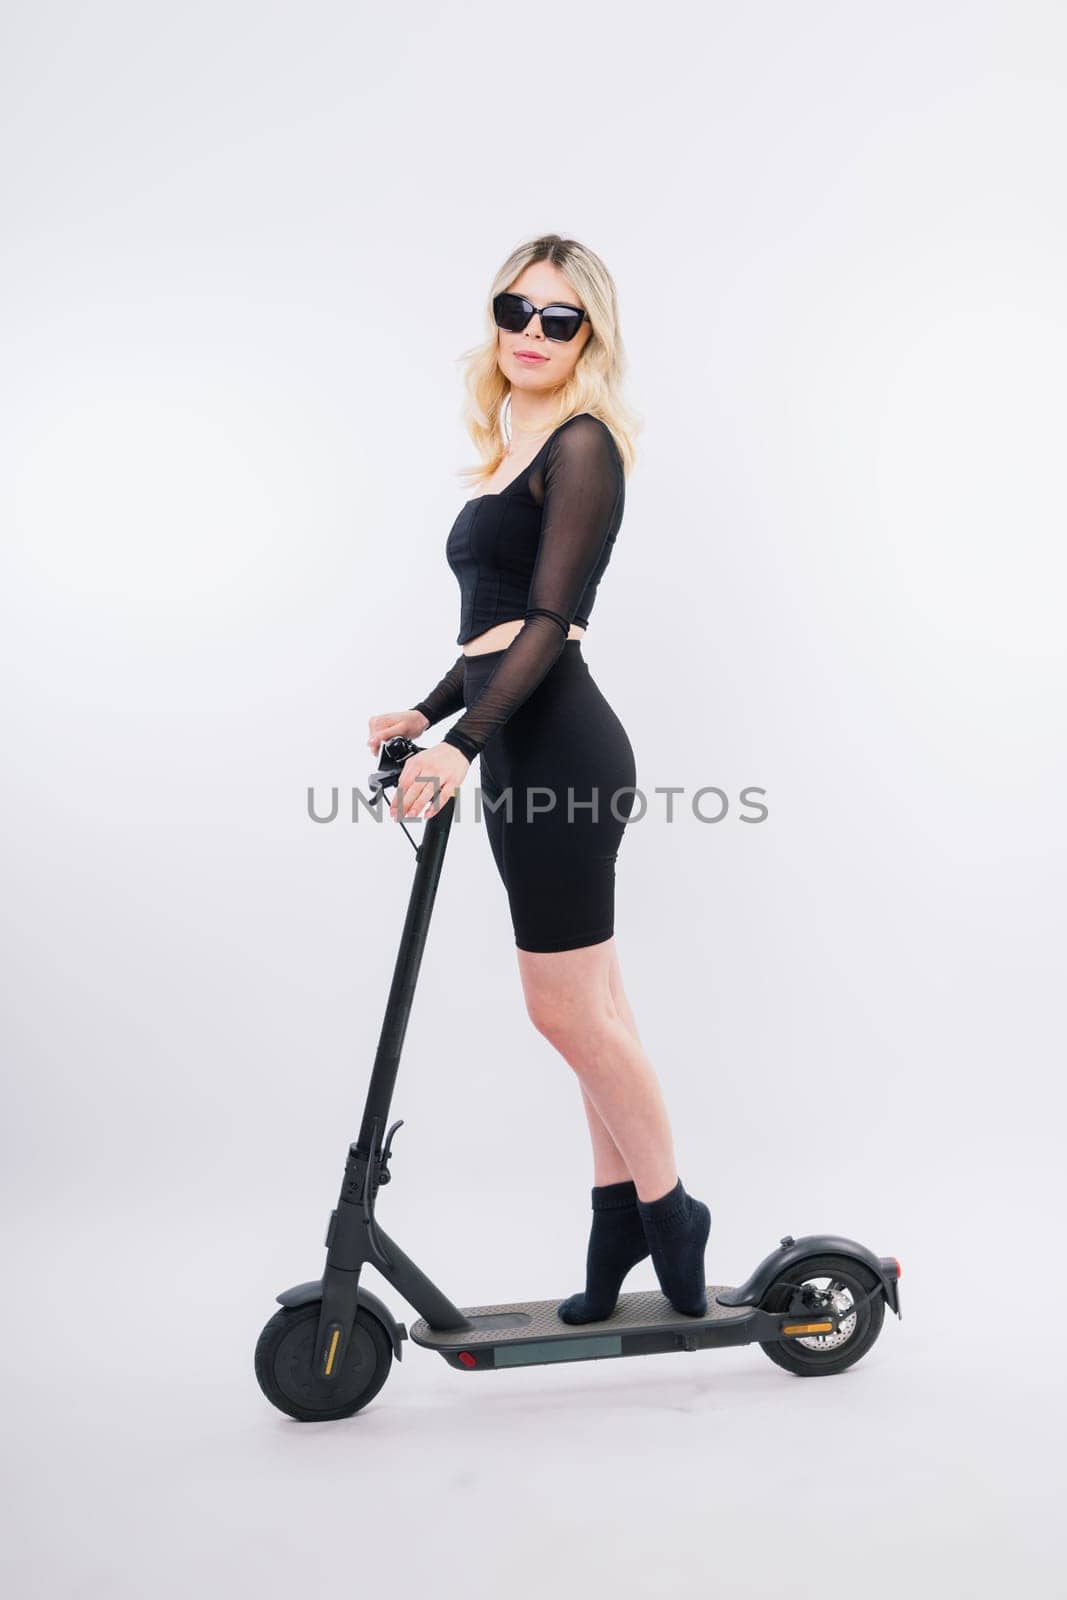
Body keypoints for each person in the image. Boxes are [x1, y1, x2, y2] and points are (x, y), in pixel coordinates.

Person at [367, 234, 711, 1322]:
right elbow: (493, 623)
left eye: (557, 319)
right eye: (515, 308)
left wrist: (459, 745)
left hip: (557, 747)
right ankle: (617, 1224)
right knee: (591, 1007)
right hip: (512, 738)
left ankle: (670, 1211)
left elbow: (552, 623)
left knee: (564, 1013)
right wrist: (429, 712)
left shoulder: (583, 444)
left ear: (588, 335)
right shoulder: (516, 439)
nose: (529, 331)